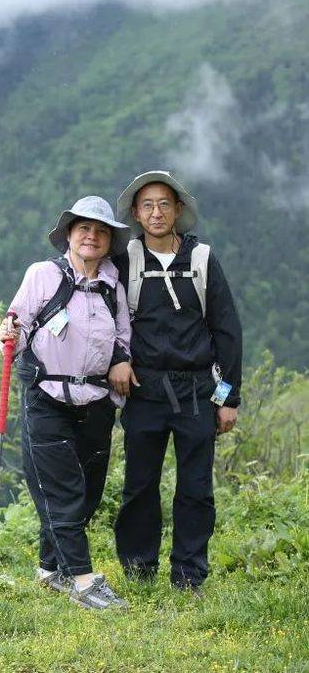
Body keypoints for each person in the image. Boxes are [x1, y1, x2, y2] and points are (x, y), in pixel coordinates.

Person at [109, 170, 242, 592]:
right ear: (136, 213)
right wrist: (118, 360)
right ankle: (138, 570)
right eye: (147, 205)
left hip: (197, 390)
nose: (156, 213)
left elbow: (227, 331)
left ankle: (189, 575)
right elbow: (105, 319)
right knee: (139, 485)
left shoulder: (201, 259)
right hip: (143, 390)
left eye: (164, 204)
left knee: (196, 488)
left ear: (178, 209)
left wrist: (228, 398)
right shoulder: (126, 259)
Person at [0, 196, 132, 610]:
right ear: (69, 235)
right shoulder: (43, 275)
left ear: (109, 241)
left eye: (101, 231)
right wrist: (7, 333)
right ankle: (84, 582)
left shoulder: (112, 287)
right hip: (47, 398)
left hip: (96, 402)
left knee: (88, 493)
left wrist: (121, 360)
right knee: (63, 492)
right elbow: (16, 327)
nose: (92, 236)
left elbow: (122, 338)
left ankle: (49, 570)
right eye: (84, 228)